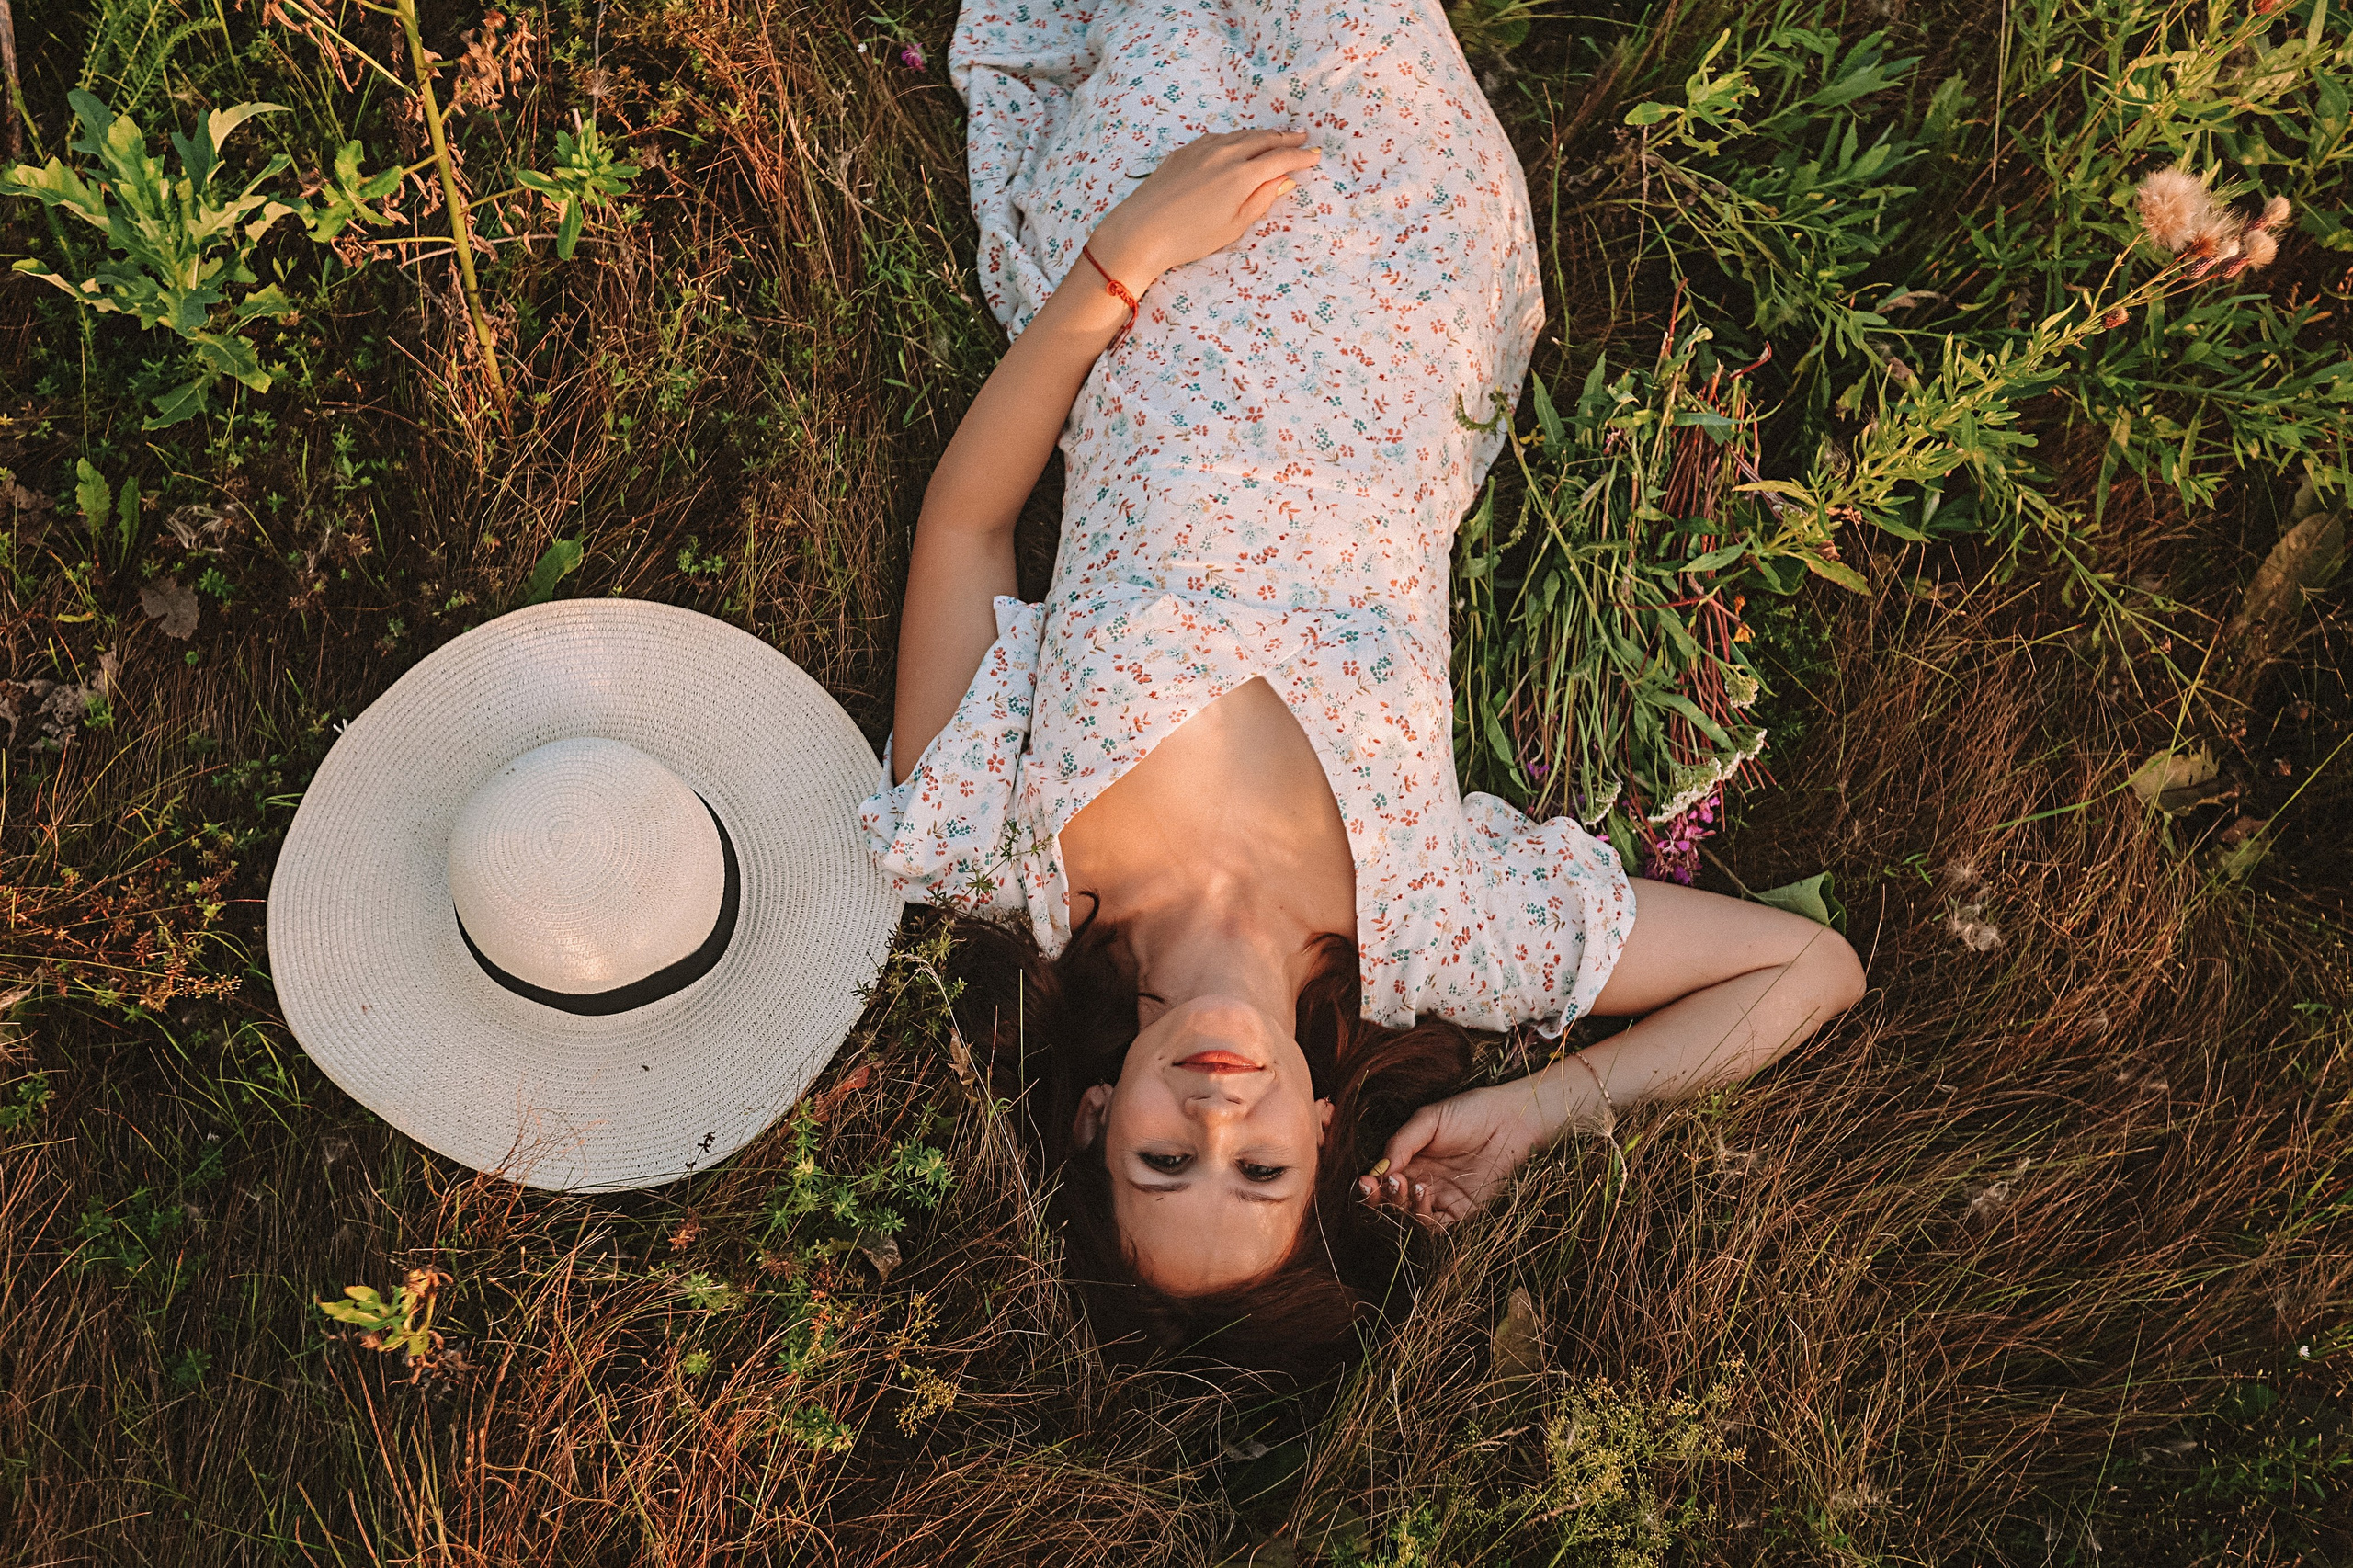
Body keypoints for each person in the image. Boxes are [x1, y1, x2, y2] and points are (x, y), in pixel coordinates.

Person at [861, 0, 1866, 1377]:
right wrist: (1541, 1112)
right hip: (1406, 261)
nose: (1221, 1117)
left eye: (1167, 1161)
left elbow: (965, 526)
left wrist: (1123, 261)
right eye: (1259, 1172)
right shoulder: (1437, 935)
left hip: (1160, 243)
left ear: (1096, 1118)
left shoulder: (995, 850)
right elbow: (1808, 966)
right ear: (1324, 1138)